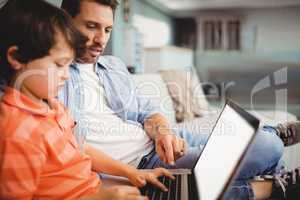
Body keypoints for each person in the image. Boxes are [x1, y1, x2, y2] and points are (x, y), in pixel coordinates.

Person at [57, 0, 300, 199]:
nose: (101, 39)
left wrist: (163, 132)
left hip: (164, 143)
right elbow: (70, 147)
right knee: (269, 148)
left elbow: (146, 112)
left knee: (257, 140)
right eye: (91, 26)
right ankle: (275, 176)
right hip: (145, 165)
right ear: (65, 20)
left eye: (108, 29)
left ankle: (273, 143)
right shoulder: (53, 77)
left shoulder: (112, 66)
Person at [0, 0, 174, 199]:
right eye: (59, 65)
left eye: (68, 65)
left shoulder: (54, 107)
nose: (66, 75)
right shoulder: (15, 132)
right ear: (16, 58)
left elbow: (81, 148)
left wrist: (131, 173)